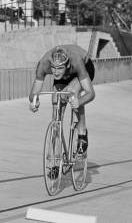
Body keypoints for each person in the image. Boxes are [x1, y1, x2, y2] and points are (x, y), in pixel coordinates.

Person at [29, 44, 95, 177]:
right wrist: (34, 101)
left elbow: (91, 93)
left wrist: (79, 101)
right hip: (65, 78)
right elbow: (34, 92)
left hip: (84, 66)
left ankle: (82, 133)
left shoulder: (76, 62)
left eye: (59, 68)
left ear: (67, 65)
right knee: (56, 112)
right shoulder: (44, 64)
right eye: (53, 68)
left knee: (72, 93)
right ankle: (55, 162)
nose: (55, 71)